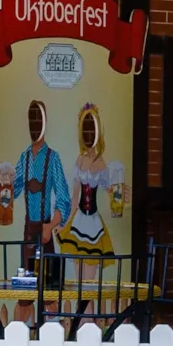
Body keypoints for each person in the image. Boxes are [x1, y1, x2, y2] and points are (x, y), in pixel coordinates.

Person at [8, 96, 70, 262]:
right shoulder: (24, 158)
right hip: (28, 232)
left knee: (47, 282)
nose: (34, 125)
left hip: (45, 230)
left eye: (37, 119)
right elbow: (12, 191)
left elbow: (64, 201)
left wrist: (50, 226)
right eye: (31, 120)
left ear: (44, 122)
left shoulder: (52, 158)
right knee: (26, 282)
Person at [66, 102, 121, 256]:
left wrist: (119, 198)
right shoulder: (79, 160)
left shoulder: (101, 162)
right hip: (78, 220)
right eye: (86, 129)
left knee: (90, 270)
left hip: (94, 222)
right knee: (78, 268)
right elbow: (75, 197)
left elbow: (109, 189)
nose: (88, 134)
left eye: (92, 129)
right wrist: (66, 222)